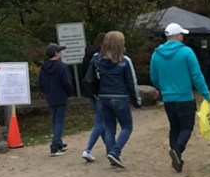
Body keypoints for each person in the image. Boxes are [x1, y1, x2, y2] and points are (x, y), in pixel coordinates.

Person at [149, 22, 210, 172]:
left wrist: (162, 88)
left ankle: (175, 155)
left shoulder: (156, 54)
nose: (183, 37)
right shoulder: (186, 52)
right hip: (184, 97)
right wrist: (206, 94)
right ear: (178, 36)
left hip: (168, 98)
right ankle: (177, 151)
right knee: (186, 127)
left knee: (174, 127)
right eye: (182, 34)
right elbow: (196, 75)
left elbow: (153, 76)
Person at [96, 31, 142, 168]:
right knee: (127, 126)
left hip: (103, 96)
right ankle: (115, 151)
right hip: (119, 97)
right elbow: (131, 82)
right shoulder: (124, 61)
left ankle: (111, 154)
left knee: (109, 128)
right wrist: (136, 100)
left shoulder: (99, 60)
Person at [38, 43, 74, 157]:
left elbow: (41, 84)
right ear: (56, 53)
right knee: (59, 121)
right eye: (59, 51)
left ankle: (58, 142)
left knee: (55, 120)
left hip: (50, 96)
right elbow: (67, 82)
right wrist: (69, 92)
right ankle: (54, 146)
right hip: (61, 95)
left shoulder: (43, 67)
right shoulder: (61, 66)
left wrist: (46, 92)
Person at [80, 32, 107, 162]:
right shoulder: (101, 57)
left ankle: (110, 147)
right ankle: (88, 149)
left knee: (100, 121)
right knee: (100, 122)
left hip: (89, 92)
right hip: (101, 92)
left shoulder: (86, 56)